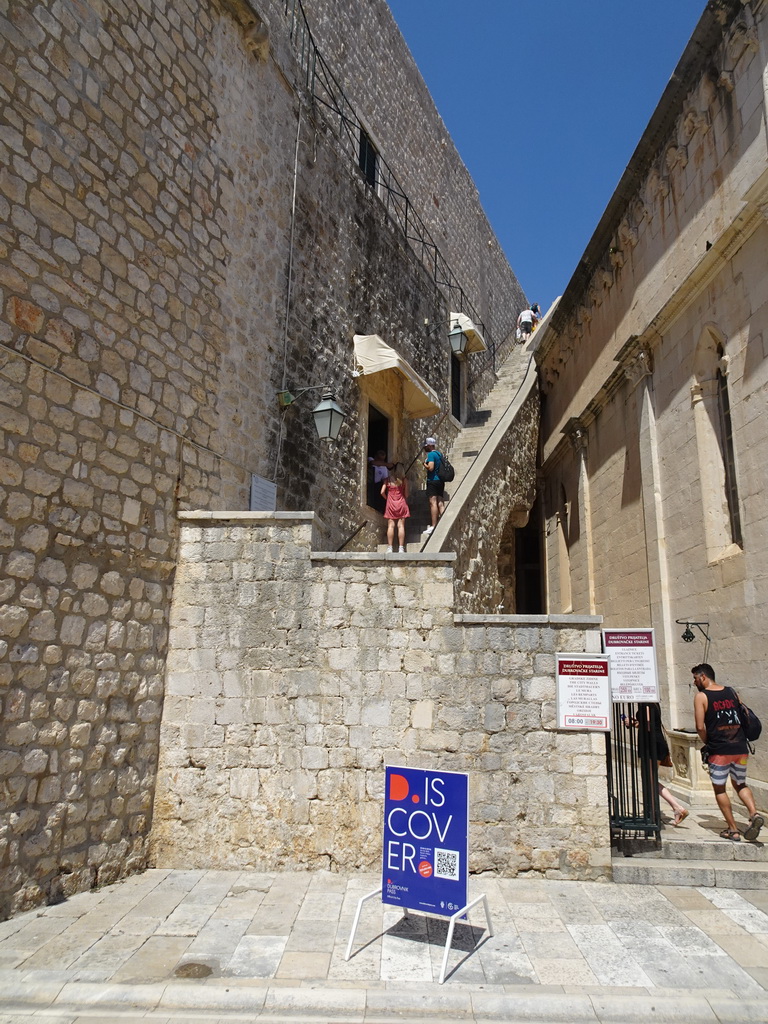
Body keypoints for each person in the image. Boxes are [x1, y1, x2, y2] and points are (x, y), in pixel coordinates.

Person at [692, 663, 764, 841]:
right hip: (740, 748)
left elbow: (700, 726)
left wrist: (708, 742)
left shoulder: (701, 696)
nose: (694, 682)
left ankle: (733, 829)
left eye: (695, 678)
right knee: (740, 784)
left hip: (720, 749)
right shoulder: (731, 691)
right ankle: (754, 814)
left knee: (719, 788)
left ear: (703, 677)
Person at [625, 704, 688, 826]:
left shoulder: (646, 703)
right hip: (653, 744)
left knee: (649, 780)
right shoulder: (653, 703)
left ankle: (658, 813)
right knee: (650, 780)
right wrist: (636, 723)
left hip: (652, 745)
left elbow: (648, 726)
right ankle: (669, 810)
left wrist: (635, 723)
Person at [381, 463, 409, 553]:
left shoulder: (387, 480)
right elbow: (407, 494)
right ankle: (401, 548)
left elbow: (382, 492)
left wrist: (387, 498)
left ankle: (390, 548)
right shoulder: (404, 480)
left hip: (391, 504)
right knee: (401, 526)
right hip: (401, 503)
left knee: (391, 526)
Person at [423, 438, 444, 534]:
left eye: (426, 446)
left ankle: (434, 526)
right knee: (440, 502)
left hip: (433, 480)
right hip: (440, 481)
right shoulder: (440, 454)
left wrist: (424, 464)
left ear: (430, 445)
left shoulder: (431, 454)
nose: (425, 447)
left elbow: (430, 468)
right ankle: (444, 523)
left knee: (433, 502)